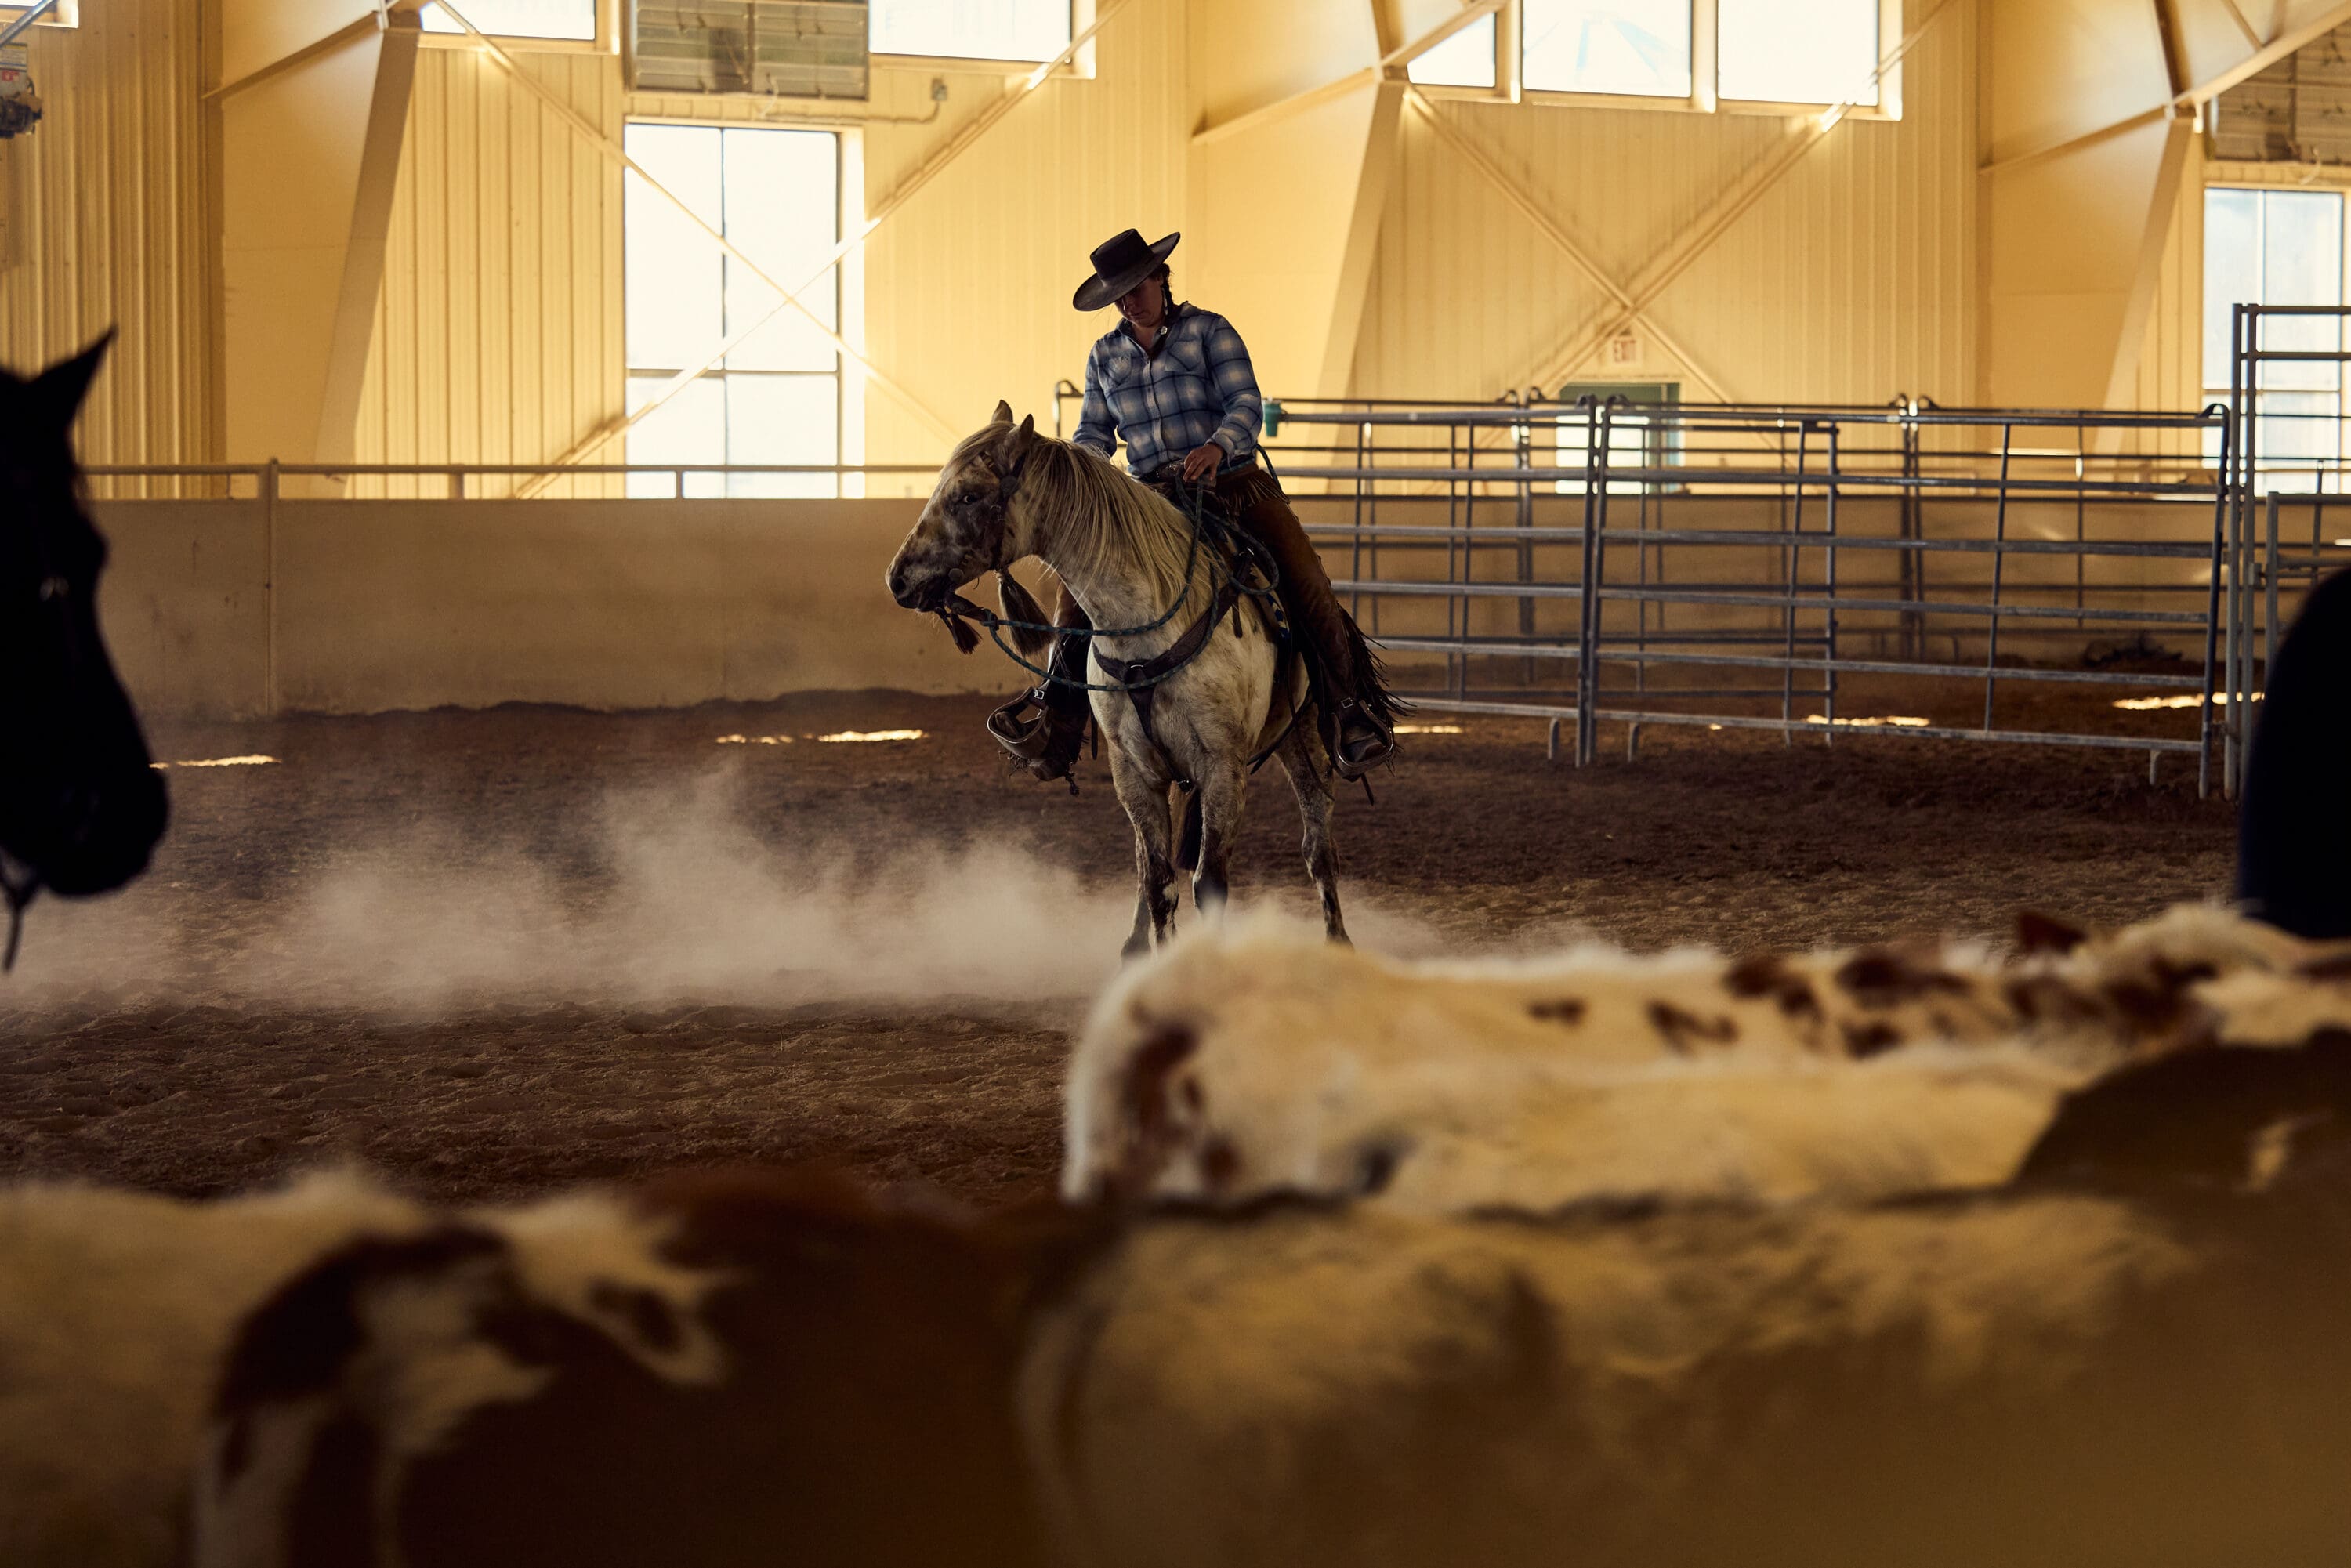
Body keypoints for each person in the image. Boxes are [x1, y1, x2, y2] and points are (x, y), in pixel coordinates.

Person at [992, 227, 1399, 787]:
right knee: (1077, 590)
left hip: (1232, 488)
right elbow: (1093, 432)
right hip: (1149, 503)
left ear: (1161, 277)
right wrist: (1083, 477)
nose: (1129, 300)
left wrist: (1218, 444)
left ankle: (1348, 709)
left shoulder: (1210, 332)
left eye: (1137, 285)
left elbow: (1244, 403)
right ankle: (1057, 715)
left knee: (1307, 584)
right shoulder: (1105, 355)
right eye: (1119, 293)